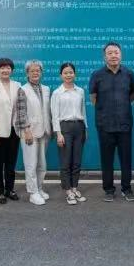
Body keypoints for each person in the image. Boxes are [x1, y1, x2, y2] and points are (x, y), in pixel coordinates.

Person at [89, 42, 134, 202]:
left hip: (124, 124)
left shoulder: (129, 74)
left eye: (116, 52)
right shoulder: (97, 75)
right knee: (107, 160)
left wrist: (121, 106)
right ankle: (109, 189)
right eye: (110, 53)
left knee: (126, 159)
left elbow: (133, 94)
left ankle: (126, 188)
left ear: (121, 55)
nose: (113, 55)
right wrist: (105, 110)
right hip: (105, 125)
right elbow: (93, 97)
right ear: (105, 57)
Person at [0, 58, 28, 205]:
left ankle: (10, 189)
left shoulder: (18, 85)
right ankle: (0, 192)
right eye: (2, 68)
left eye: (8, 68)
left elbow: (20, 109)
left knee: (11, 163)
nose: (5, 70)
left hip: (14, 131)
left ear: (12, 70)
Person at [51, 63, 88, 205]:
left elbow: (83, 111)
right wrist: (58, 134)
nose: (68, 75)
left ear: (75, 74)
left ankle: (74, 188)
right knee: (66, 161)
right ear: (61, 75)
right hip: (64, 128)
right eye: (65, 73)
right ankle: (68, 191)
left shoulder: (80, 91)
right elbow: (54, 115)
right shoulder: (57, 93)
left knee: (77, 161)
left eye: (71, 72)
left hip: (79, 127)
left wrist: (86, 128)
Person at [19, 60, 52, 206]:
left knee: (42, 164)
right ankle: (33, 193)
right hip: (29, 133)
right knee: (31, 164)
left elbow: (48, 110)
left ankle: (39, 188)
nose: (35, 73)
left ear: (41, 72)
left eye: (38, 70)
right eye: (32, 71)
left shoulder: (46, 89)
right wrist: (26, 131)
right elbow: (21, 113)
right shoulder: (23, 89)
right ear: (27, 73)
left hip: (44, 131)